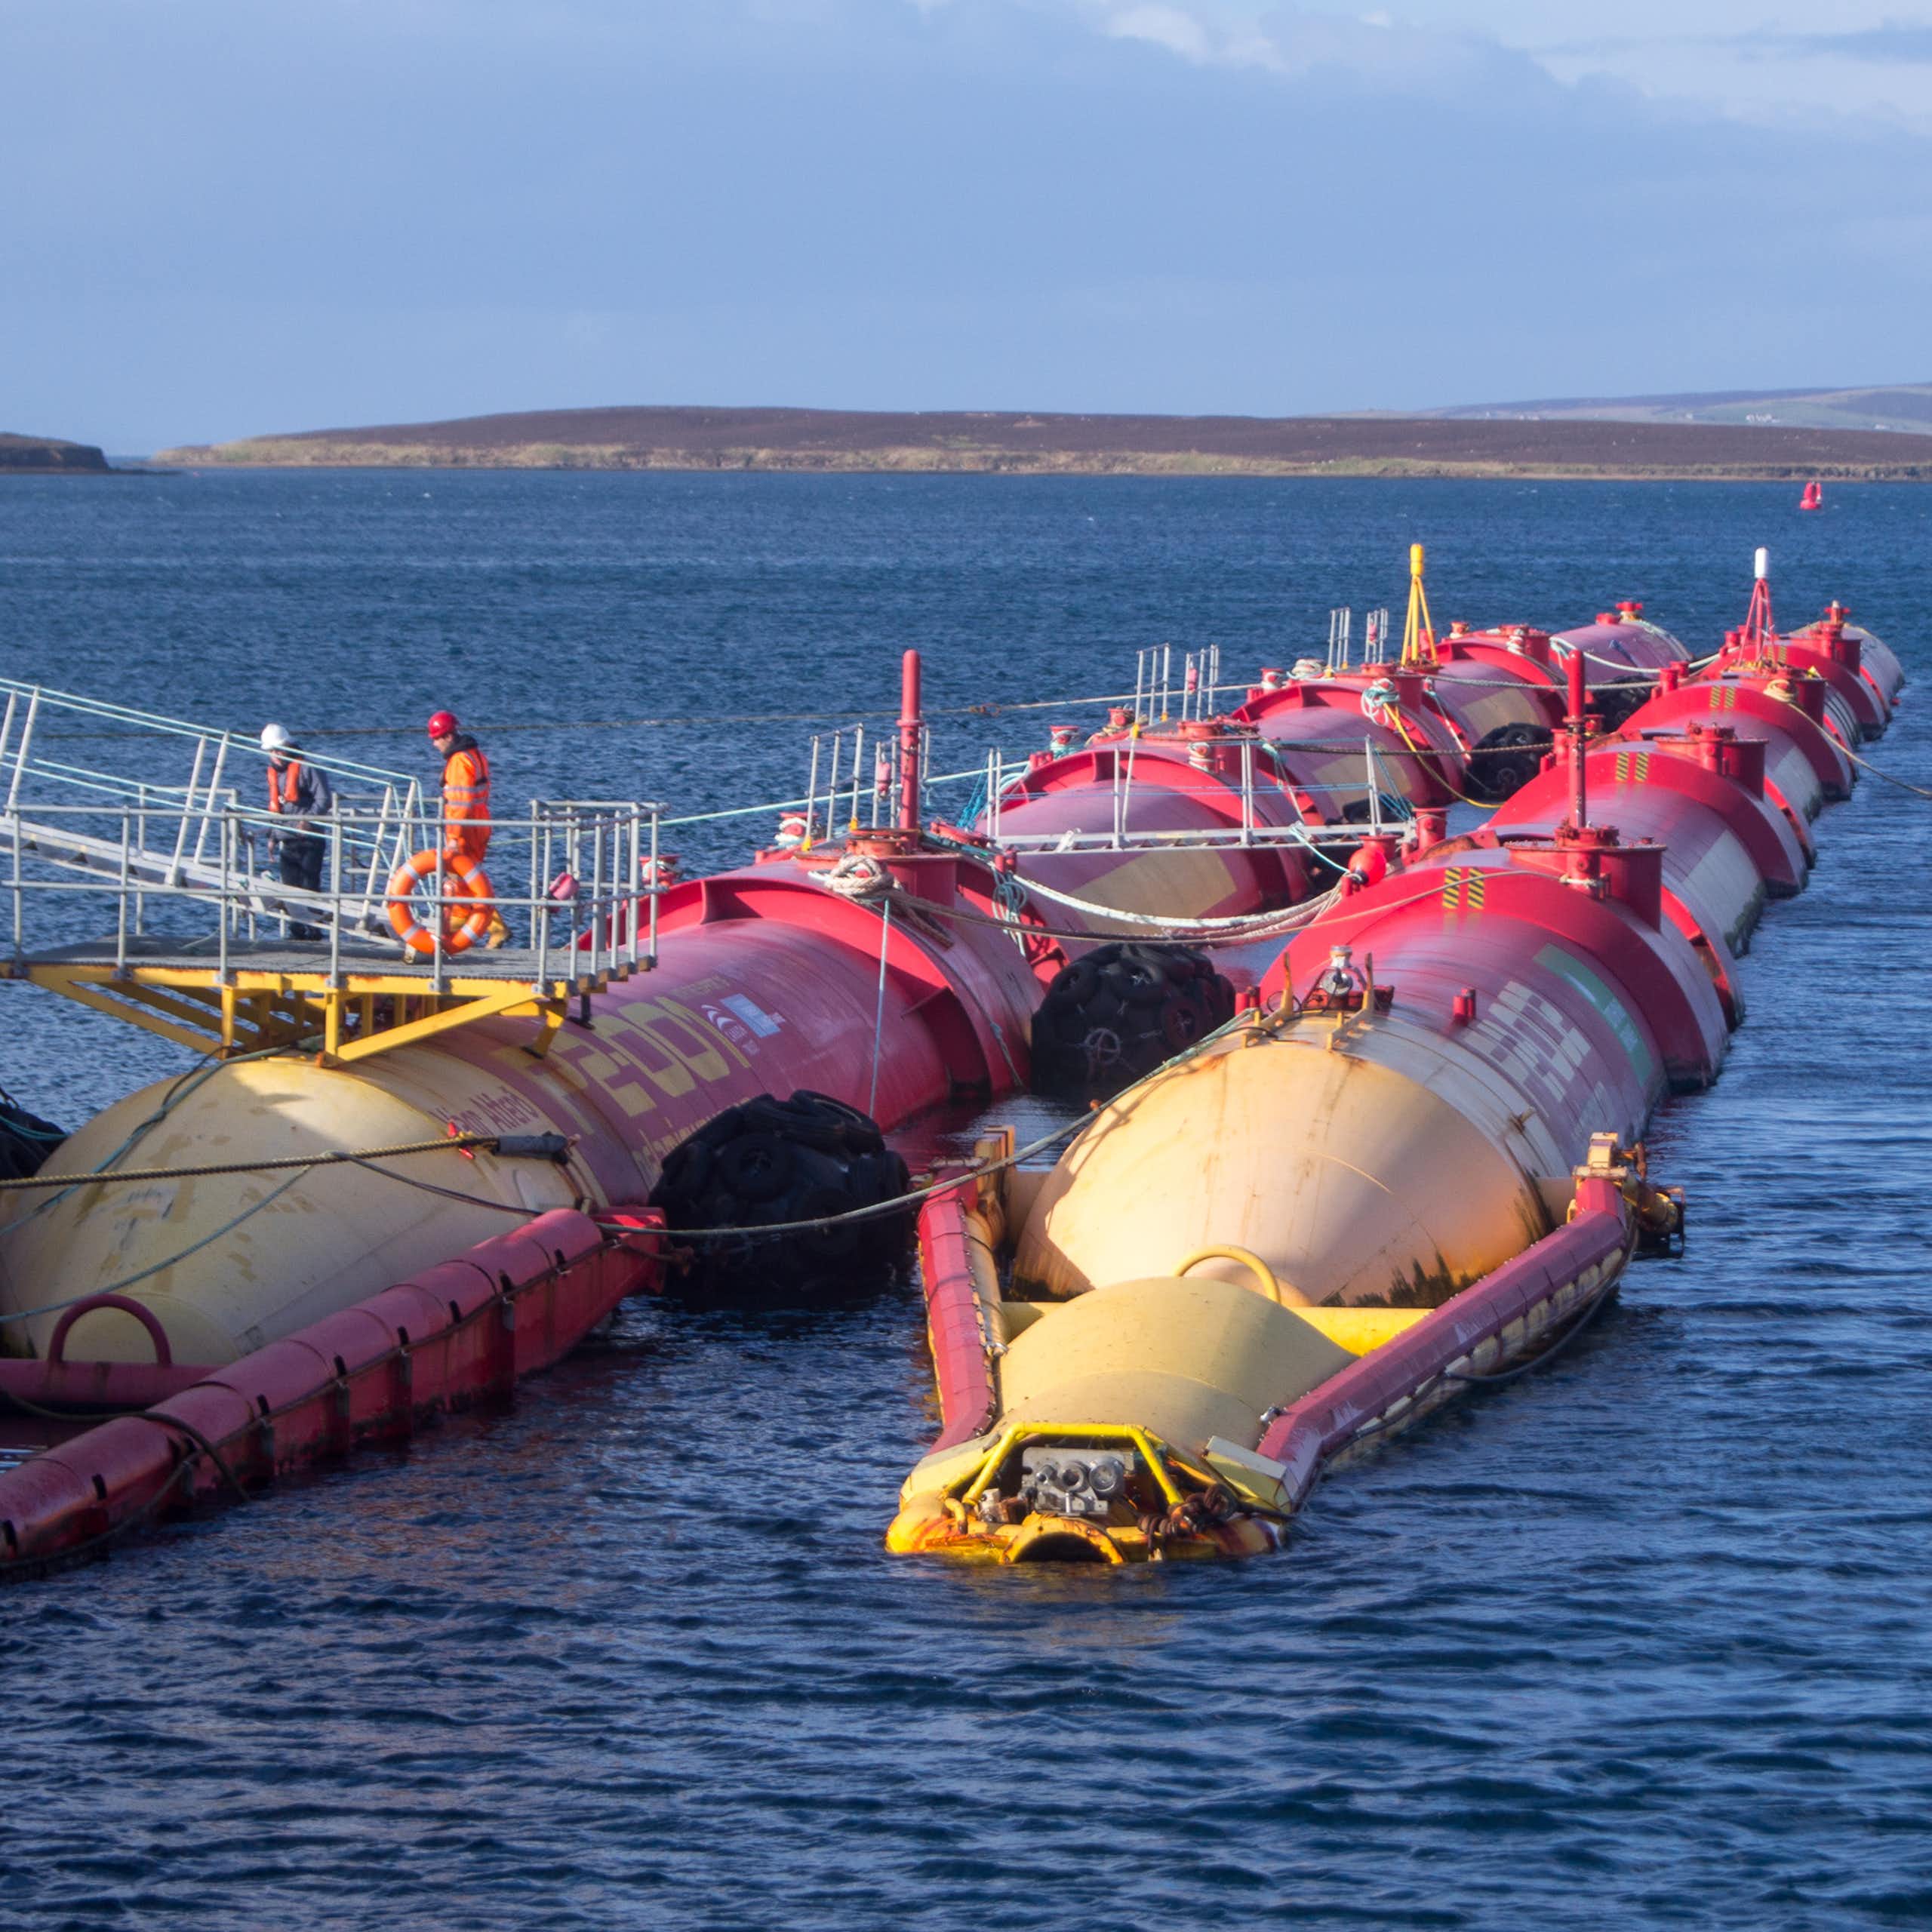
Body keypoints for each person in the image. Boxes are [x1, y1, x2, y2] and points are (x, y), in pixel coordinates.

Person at [426, 709, 509, 948]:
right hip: (480, 822)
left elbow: (460, 804)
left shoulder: (459, 762)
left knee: (460, 876)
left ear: (448, 737)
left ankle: (487, 927)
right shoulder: (475, 755)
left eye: (436, 738)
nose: (434, 744)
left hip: (466, 828)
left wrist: (453, 836)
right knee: (468, 879)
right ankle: (472, 926)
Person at [260, 722, 334, 940]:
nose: (276, 756)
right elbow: (277, 810)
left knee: (309, 886)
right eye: (272, 751)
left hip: (310, 840)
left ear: (288, 746)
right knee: (289, 888)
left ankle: (315, 931)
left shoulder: (308, 768)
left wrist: (308, 820)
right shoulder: (274, 774)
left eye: (279, 750)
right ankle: (297, 933)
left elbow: (324, 799)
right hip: (287, 840)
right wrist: (272, 837)